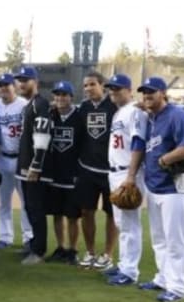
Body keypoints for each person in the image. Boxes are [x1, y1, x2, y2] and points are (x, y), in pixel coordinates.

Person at [138, 76, 184, 302]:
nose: (147, 96)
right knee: (159, 239)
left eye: (151, 92)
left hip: (177, 187)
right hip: (156, 187)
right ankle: (163, 279)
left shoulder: (177, 115)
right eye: (144, 92)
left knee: (176, 240)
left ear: (163, 93)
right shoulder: (151, 118)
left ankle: (177, 288)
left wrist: (166, 159)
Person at [100, 74, 149, 285]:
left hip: (128, 173)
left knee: (130, 224)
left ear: (129, 91)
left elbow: (139, 142)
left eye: (118, 88)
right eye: (111, 88)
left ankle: (130, 272)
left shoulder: (135, 112)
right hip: (116, 172)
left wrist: (130, 176)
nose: (114, 92)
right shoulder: (120, 111)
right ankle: (124, 264)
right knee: (122, 222)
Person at [76, 71, 118, 269]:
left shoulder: (114, 107)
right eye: (85, 86)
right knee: (86, 211)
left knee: (112, 214)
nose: (88, 89)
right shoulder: (83, 108)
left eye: (92, 84)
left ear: (103, 85)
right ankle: (90, 252)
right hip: (87, 168)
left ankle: (107, 254)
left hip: (110, 171)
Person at [14, 66, 53, 265]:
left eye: (25, 80)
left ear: (35, 81)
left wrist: (36, 164)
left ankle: (38, 251)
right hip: (24, 165)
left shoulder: (40, 104)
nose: (21, 83)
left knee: (36, 209)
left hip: (33, 167)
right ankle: (34, 243)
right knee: (29, 207)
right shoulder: (29, 105)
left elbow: (42, 136)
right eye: (19, 80)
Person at [0, 73, 33, 249]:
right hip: (2, 158)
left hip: (21, 158)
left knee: (26, 202)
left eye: (6, 85)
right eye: (0, 85)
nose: (3, 88)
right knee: (4, 201)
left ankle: (28, 237)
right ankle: (5, 237)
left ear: (13, 86)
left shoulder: (24, 105)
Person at [46, 81, 83, 265]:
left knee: (72, 216)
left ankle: (73, 249)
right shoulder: (51, 115)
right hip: (54, 172)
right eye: (57, 95)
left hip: (73, 174)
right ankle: (60, 247)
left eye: (64, 95)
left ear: (71, 97)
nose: (60, 98)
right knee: (56, 213)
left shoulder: (79, 116)